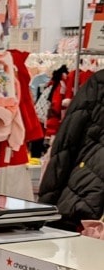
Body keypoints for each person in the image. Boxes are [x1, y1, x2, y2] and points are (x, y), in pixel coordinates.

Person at [37, 68, 104, 230]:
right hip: (86, 203)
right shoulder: (99, 84)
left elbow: (66, 146)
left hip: (85, 201)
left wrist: (46, 209)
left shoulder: (99, 83)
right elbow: (66, 146)